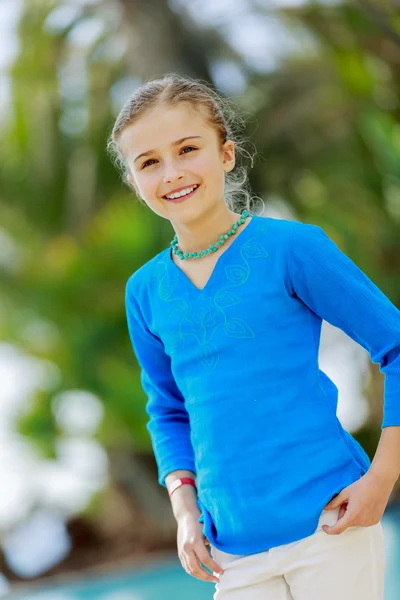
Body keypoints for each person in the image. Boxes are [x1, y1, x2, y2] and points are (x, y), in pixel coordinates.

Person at [107, 73, 400, 600]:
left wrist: (382, 478)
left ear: (225, 154)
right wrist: (185, 514)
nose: (172, 173)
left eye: (187, 149)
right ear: (134, 180)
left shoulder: (292, 248)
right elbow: (168, 410)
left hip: (331, 526)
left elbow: (396, 347)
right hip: (231, 554)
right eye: (148, 162)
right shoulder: (144, 292)